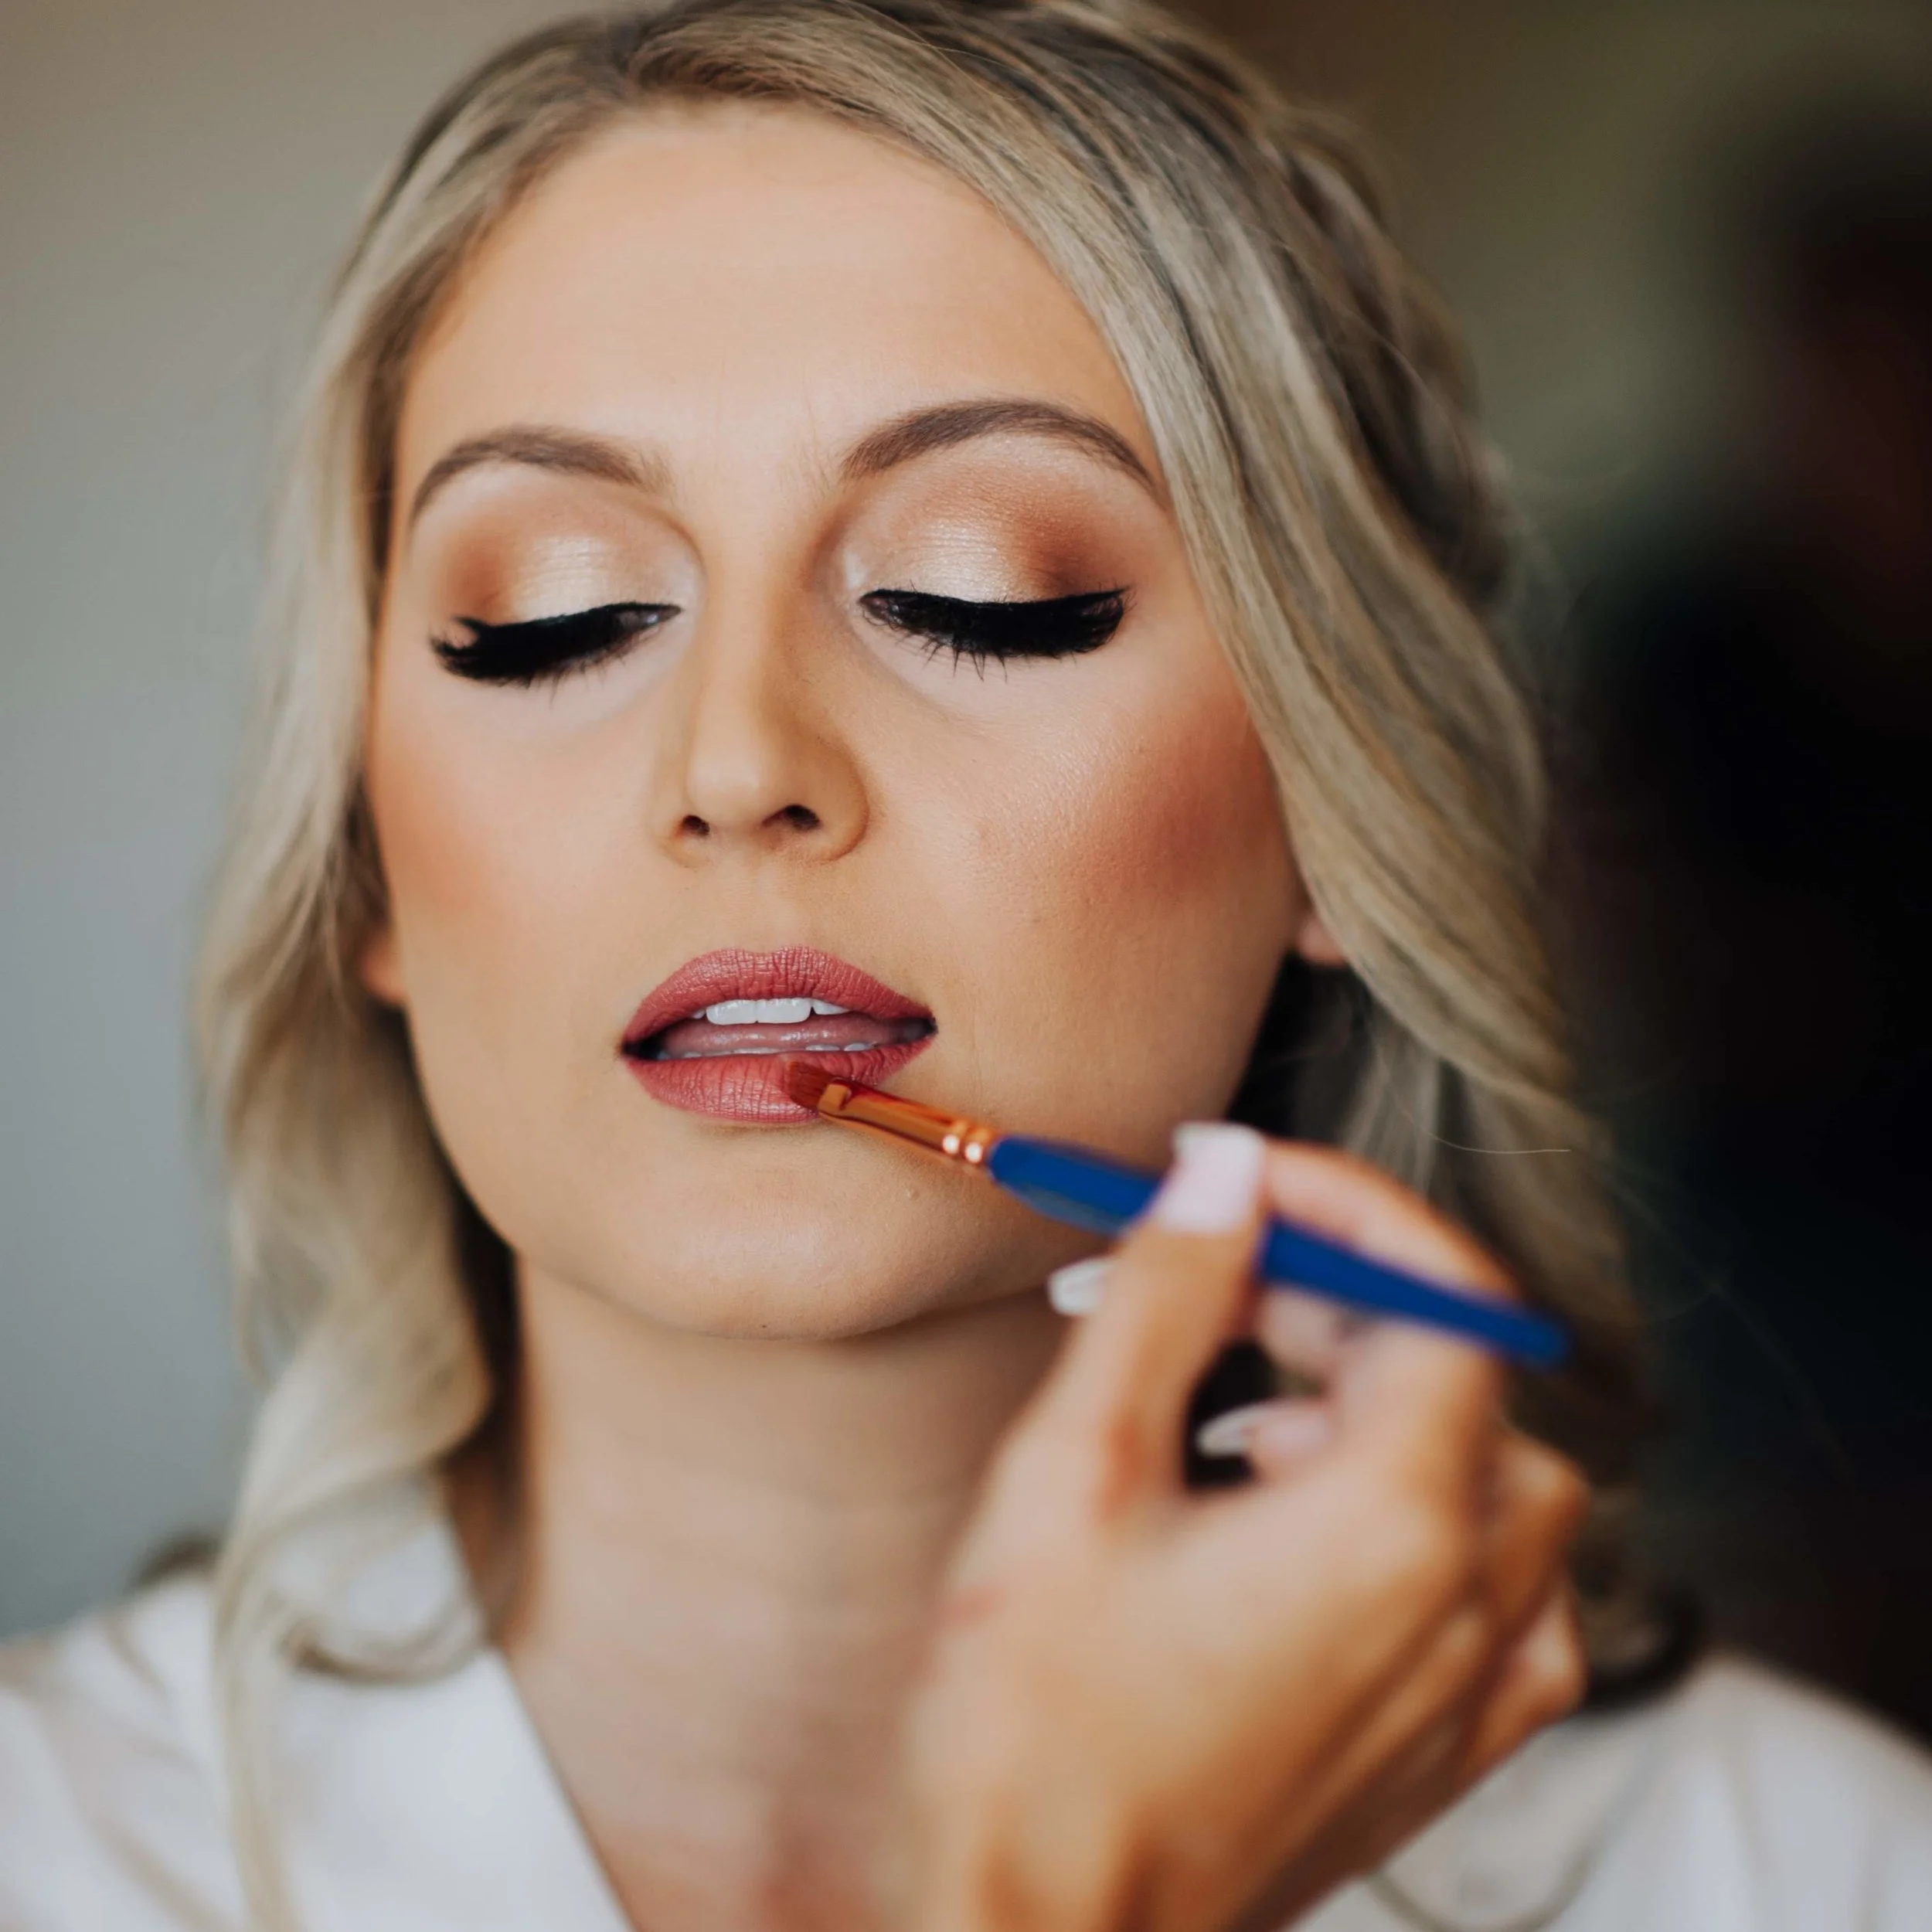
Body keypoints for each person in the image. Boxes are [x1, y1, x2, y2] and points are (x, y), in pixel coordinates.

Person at [2, 4, 1928, 1929]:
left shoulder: (1817, 1872)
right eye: (553, 620)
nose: (737, 760)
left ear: (1330, 800)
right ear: (368, 862)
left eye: (982, 591)